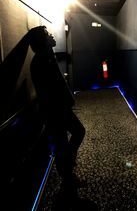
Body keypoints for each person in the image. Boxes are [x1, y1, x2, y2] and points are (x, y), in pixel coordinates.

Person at [28, 26, 85, 204]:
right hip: (56, 111)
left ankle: (68, 178)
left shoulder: (45, 57)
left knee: (67, 141)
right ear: (41, 41)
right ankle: (68, 177)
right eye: (47, 35)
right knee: (75, 134)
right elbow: (50, 89)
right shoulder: (41, 61)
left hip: (58, 110)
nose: (52, 36)